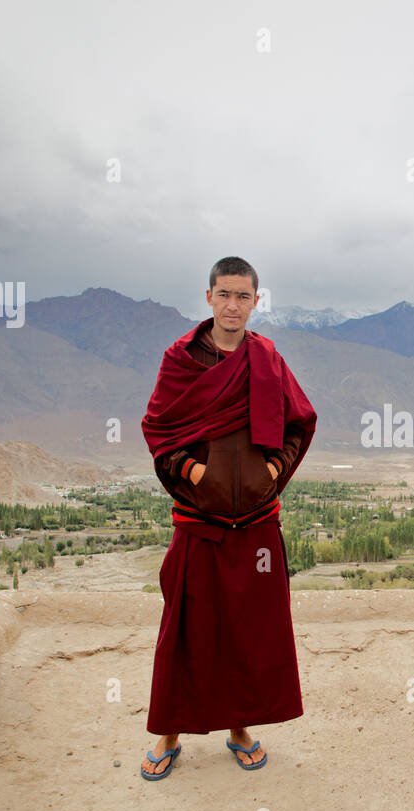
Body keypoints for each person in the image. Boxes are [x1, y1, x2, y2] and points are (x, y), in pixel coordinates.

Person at [139, 256, 316, 779]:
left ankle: (240, 729)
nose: (233, 305)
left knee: (249, 631)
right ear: (209, 297)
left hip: (258, 520)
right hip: (199, 522)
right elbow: (158, 429)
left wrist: (272, 470)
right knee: (186, 630)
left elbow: (300, 423)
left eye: (243, 296)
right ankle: (169, 732)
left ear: (256, 301)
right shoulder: (181, 360)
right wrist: (194, 473)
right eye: (224, 294)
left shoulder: (266, 358)